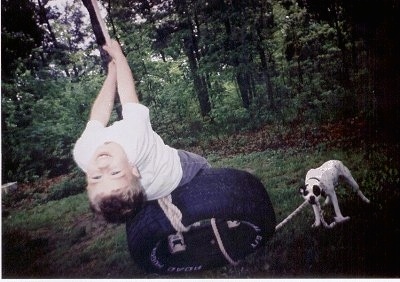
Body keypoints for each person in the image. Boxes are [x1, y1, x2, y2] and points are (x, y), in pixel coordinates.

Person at [73, 40, 210, 222]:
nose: (102, 167)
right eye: (115, 173)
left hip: (145, 194)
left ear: (87, 184)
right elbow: (127, 93)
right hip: (172, 173)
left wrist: (112, 73)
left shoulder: (83, 154)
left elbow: (99, 113)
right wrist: (120, 57)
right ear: (133, 170)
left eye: (96, 177)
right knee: (202, 165)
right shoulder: (134, 138)